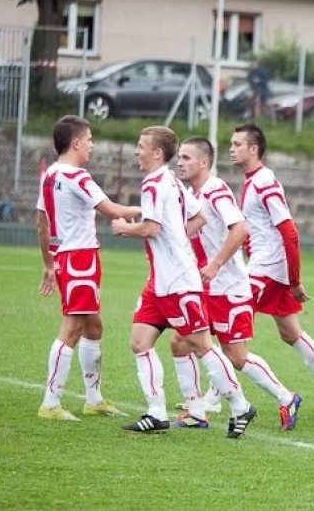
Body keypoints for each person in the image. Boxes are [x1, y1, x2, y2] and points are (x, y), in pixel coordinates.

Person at [111, 126, 257, 438]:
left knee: (201, 344)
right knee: (139, 342)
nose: (137, 151)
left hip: (178, 281)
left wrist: (125, 228)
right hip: (160, 282)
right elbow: (199, 216)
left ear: (156, 153)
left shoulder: (155, 183)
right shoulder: (172, 182)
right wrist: (176, 235)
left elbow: (150, 229)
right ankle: (156, 413)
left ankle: (241, 405)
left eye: (140, 146)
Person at [171, 136, 302, 431]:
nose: (180, 162)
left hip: (229, 289)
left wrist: (215, 264)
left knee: (236, 356)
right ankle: (196, 411)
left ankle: (286, 397)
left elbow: (241, 229)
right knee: (180, 342)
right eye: (179, 157)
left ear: (204, 162)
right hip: (205, 288)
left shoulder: (215, 190)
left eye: (187, 158)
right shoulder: (190, 195)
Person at [229, 123, 314, 417]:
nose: (231, 149)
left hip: (268, 268)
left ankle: (214, 397)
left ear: (253, 149)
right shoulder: (252, 181)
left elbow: (289, 230)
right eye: (231, 144)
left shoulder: (264, 181)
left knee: (227, 323)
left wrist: (294, 280)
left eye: (236, 144)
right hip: (268, 266)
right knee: (290, 332)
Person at [35, 115, 141, 421]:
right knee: (72, 328)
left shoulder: (50, 175)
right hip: (80, 258)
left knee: (94, 326)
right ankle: (51, 403)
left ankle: (93, 399)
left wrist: (48, 263)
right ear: (77, 142)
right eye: (90, 139)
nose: (92, 145)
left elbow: (41, 225)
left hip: (69, 258)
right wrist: (150, 209)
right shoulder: (77, 177)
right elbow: (112, 210)